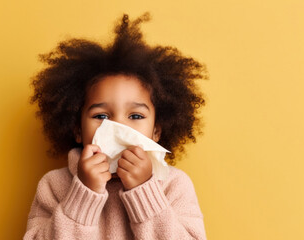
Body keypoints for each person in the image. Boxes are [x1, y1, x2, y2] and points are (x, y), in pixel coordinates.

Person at [24, 12, 208, 240]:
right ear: (78, 130)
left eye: (136, 116)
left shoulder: (174, 185)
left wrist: (145, 192)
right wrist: (83, 194)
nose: (119, 126)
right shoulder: (54, 185)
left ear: (156, 131)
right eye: (101, 116)